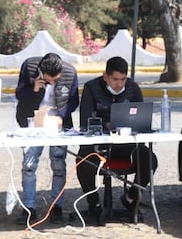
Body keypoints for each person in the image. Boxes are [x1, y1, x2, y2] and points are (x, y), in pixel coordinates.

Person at [75, 56, 157, 225]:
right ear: (106, 76)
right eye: (115, 79)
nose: (119, 84)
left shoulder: (132, 88)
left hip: (126, 145)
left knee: (150, 159)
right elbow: (85, 121)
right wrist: (106, 124)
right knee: (82, 161)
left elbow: (141, 116)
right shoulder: (91, 88)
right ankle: (94, 204)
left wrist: (133, 125)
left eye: (123, 79)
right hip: (99, 144)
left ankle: (130, 196)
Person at [14, 52, 79, 224]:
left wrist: (62, 117)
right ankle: (29, 208)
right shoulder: (29, 67)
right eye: (49, 79)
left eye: (55, 80)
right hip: (31, 122)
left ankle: (56, 207)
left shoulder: (70, 72)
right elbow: (19, 95)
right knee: (29, 165)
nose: (52, 83)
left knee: (58, 165)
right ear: (41, 71)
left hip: (57, 124)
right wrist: (34, 89)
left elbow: (73, 100)